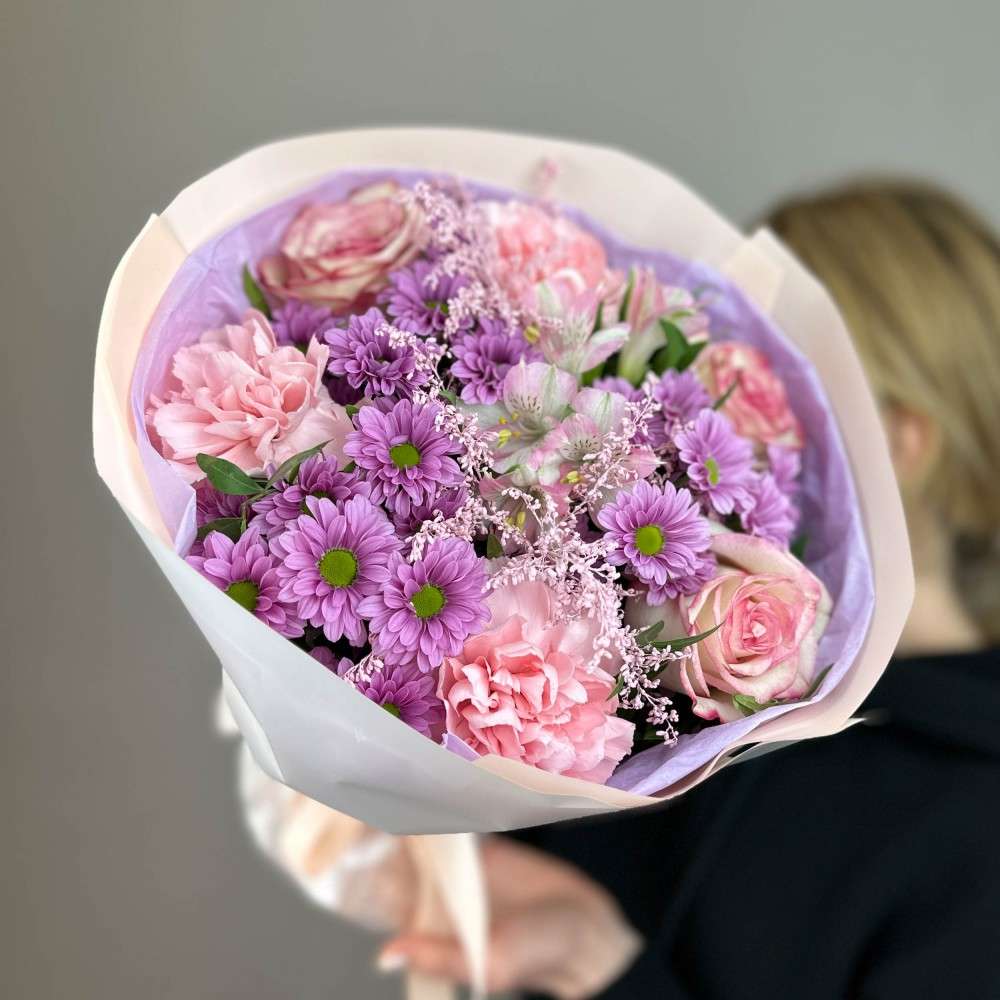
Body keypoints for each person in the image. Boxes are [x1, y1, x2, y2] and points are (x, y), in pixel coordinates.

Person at [373, 180, 1000, 997]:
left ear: (901, 443)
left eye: (768, 386)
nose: (714, 424)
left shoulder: (975, 820)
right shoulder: (655, 696)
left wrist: (593, 966)